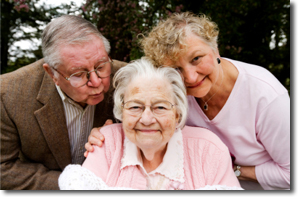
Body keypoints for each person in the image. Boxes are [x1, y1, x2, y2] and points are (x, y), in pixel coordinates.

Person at [86, 12, 290, 190]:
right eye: (176, 69)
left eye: (196, 59)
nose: (191, 77)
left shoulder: (267, 97)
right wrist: (108, 138)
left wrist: (234, 170)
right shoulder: (174, 92)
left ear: (215, 49)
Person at [58, 58, 242, 190]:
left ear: (177, 113)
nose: (146, 119)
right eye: (135, 106)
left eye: (160, 107)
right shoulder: (106, 143)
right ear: (122, 111)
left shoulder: (209, 150)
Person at [0, 15, 126, 190]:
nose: (97, 82)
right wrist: (71, 185)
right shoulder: (7, 94)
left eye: (101, 66)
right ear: (52, 74)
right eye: (79, 74)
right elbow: (3, 168)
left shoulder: (130, 79)